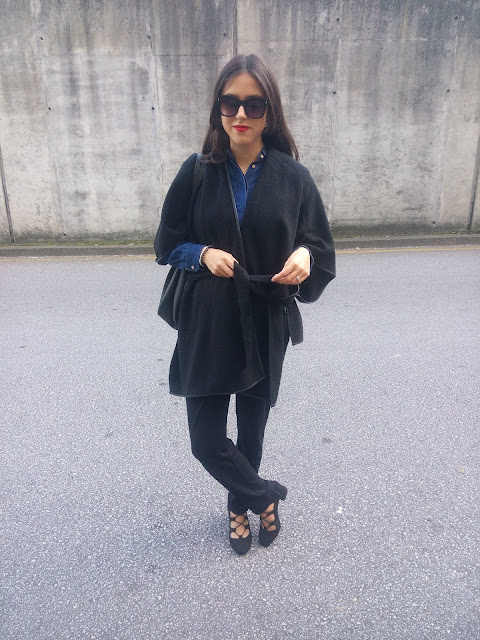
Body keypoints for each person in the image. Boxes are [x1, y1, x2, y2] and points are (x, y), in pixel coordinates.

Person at [154, 54, 335, 555]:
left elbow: (319, 246)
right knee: (206, 441)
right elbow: (166, 244)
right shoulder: (196, 171)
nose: (240, 114)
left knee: (251, 432)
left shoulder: (294, 178)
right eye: (230, 102)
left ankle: (239, 506)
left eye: (254, 104)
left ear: (269, 113)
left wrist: (305, 256)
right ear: (217, 107)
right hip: (207, 320)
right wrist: (202, 253)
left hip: (265, 316)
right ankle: (264, 495)